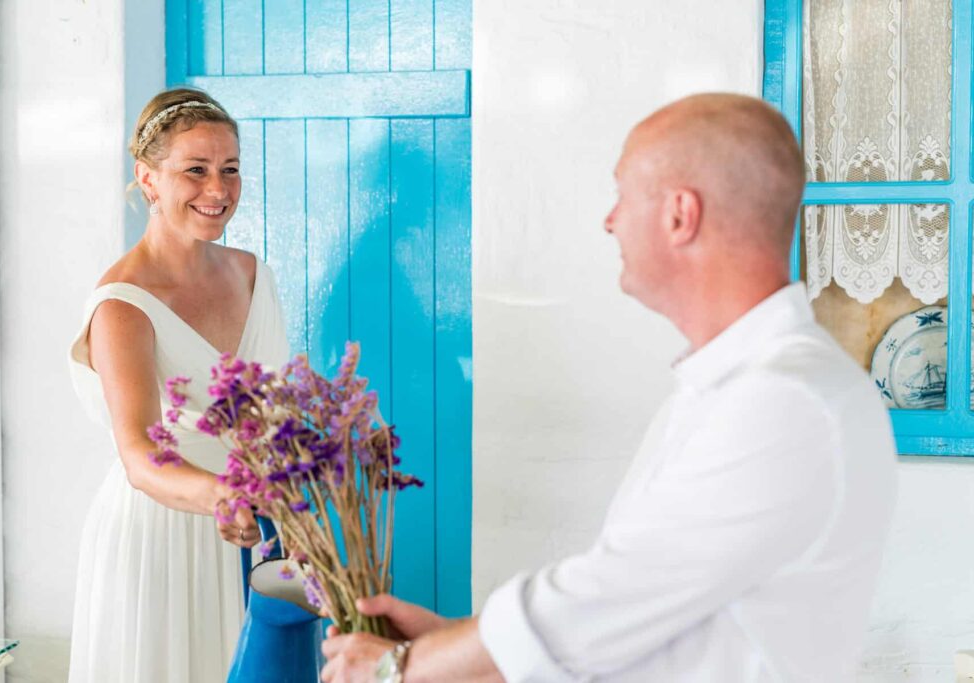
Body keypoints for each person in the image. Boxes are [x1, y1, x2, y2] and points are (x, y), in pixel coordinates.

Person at [319, 93, 898, 682]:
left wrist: (403, 667)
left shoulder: (782, 400)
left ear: (680, 215)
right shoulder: (737, 388)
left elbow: (604, 598)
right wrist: (451, 645)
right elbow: (632, 627)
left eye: (622, 194)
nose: (610, 220)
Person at [67, 88, 289, 682]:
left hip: (257, 532)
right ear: (149, 178)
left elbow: (274, 410)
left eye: (230, 169)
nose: (218, 189)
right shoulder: (122, 306)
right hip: (162, 539)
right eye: (195, 170)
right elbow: (140, 457)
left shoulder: (253, 274)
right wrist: (225, 497)